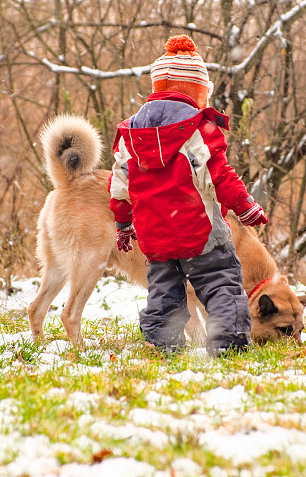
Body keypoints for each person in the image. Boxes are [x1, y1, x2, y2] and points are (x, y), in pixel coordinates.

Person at [109, 35, 268, 356]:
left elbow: (119, 188)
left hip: (155, 237)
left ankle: (162, 344)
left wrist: (124, 225)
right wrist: (246, 207)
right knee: (221, 284)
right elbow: (221, 176)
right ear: (198, 92)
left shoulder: (131, 135)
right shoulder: (199, 129)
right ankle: (229, 343)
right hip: (200, 232)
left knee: (165, 292)